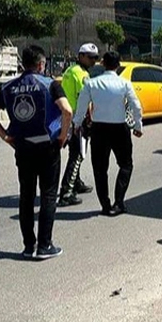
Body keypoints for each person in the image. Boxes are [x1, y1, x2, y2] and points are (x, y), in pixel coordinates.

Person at [0, 45, 69, 260]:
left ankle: (28, 245)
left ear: (23, 64)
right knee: (48, 195)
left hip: (23, 147)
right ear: (41, 64)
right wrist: (62, 136)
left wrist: (5, 136)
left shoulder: (9, 87)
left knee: (26, 196)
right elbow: (67, 110)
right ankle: (44, 246)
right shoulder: (50, 84)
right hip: (47, 146)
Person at [74, 51, 144, 216]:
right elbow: (136, 106)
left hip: (99, 130)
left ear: (103, 63)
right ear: (118, 65)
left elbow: (81, 106)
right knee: (126, 165)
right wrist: (138, 126)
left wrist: (77, 124)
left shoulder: (91, 83)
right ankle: (119, 202)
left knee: (100, 169)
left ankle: (105, 205)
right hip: (120, 129)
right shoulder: (124, 83)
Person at [57, 43, 99, 207]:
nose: (93, 61)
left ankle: (77, 182)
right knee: (78, 155)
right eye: (90, 57)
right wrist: (89, 120)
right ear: (81, 56)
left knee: (75, 152)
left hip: (67, 117)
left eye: (95, 58)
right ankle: (66, 192)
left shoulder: (70, 70)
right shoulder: (82, 75)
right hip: (77, 119)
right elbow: (85, 99)